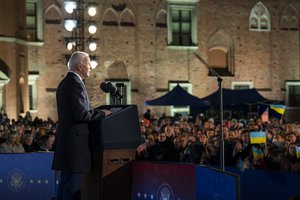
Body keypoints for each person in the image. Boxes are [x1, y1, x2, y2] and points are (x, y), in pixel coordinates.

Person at [52, 51, 112, 200]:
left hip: (69, 144)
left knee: (65, 185)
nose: (90, 66)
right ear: (79, 66)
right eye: (88, 63)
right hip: (75, 147)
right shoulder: (74, 83)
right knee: (72, 189)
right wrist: (102, 113)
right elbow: (81, 115)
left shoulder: (66, 82)